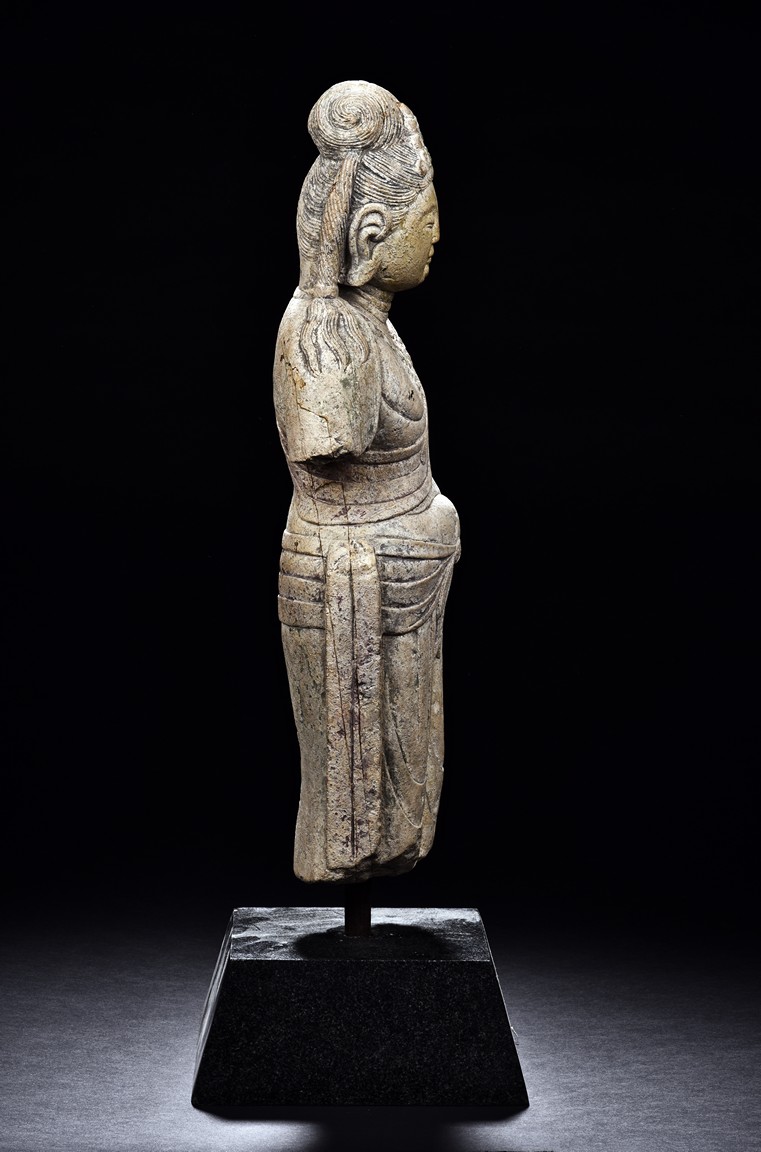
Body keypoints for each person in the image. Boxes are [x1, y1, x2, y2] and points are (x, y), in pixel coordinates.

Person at [273, 80, 460, 883]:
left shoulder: (367, 327)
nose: (437, 236)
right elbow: (328, 445)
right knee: (353, 792)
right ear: (371, 232)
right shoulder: (326, 331)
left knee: (401, 777)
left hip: (395, 580)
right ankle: (347, 857)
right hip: (355, 582)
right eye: (426, 221)